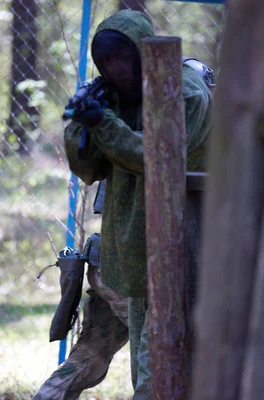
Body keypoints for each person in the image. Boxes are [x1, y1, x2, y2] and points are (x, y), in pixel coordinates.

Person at [35, 9, 213, 399]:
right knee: (146, 373)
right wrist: (82, 125)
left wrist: (103, 123)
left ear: (144, 54)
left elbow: (161, 157)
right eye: (106, 63)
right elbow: (90, 169)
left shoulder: (185, 93)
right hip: (133, 257)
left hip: (186, 251)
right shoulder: (112, 99)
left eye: (123, 59)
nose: (116, 71)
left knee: (161, 379)